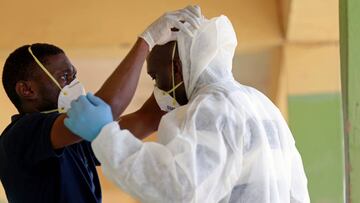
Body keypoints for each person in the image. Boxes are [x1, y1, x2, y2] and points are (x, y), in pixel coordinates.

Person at [64, 15, 310, 203]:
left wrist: (105, 135)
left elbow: (179, 188)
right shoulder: (262, 104)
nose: (158, 89)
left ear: (176, 68)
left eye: (155, 76)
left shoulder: (212, 108)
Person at [0, 6, 202, 203]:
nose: (74, 84)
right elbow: (105, 109)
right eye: (64, 77)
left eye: (74, 76)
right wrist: (146, 41)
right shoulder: (19, 136)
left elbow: (146, 118)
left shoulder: (72, 140)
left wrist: (184, 69)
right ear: (27, 90)